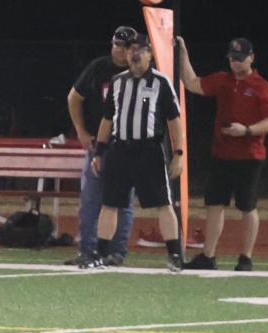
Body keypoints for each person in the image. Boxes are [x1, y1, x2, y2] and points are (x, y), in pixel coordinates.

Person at [175, 36, 268, 271]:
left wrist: (247, 131)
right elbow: (192, 83)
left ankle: (246, 257)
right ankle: (208, 255)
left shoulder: (264, 88)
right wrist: (183, 53)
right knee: (214, 204)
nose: (235, 63)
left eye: (240, 59)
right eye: (232, 58)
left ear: (251, 58)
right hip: (222, 154)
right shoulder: (223, 80)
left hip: (250, 156)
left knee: (247, 206)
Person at [89, 36, 186, 272]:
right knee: (110, 203)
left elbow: (174, 120)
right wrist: (99, 152)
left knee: (163, 203)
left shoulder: (161, 82)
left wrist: (179, 153)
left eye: (141, 50)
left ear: (150, 54)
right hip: (120, 149)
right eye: (131, 49)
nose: (135, 54)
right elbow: (107, 119)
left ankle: (174, 255)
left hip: (149, 151)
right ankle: (100, 254)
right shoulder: (117, 81)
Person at [66, 27, 141, 266]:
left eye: (126, 46)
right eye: (117, 45)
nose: (120, 51)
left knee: (122, 201)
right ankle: (88, 250)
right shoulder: (99, 68)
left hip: (129, 144)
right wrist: (80, 130)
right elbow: (74, 98)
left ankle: (116, 251)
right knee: (91, 199)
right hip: (101, 144)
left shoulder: (142, 72)